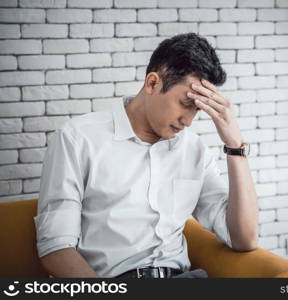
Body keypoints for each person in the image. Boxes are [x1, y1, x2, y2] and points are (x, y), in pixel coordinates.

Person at [34, 33, 258, 278]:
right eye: (185, 104)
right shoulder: (77, 139)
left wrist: (234, 145)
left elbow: (244, 239)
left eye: (197, 110)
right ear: (153, 83)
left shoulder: (193, 150)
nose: (189, 121)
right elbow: (56, 248)